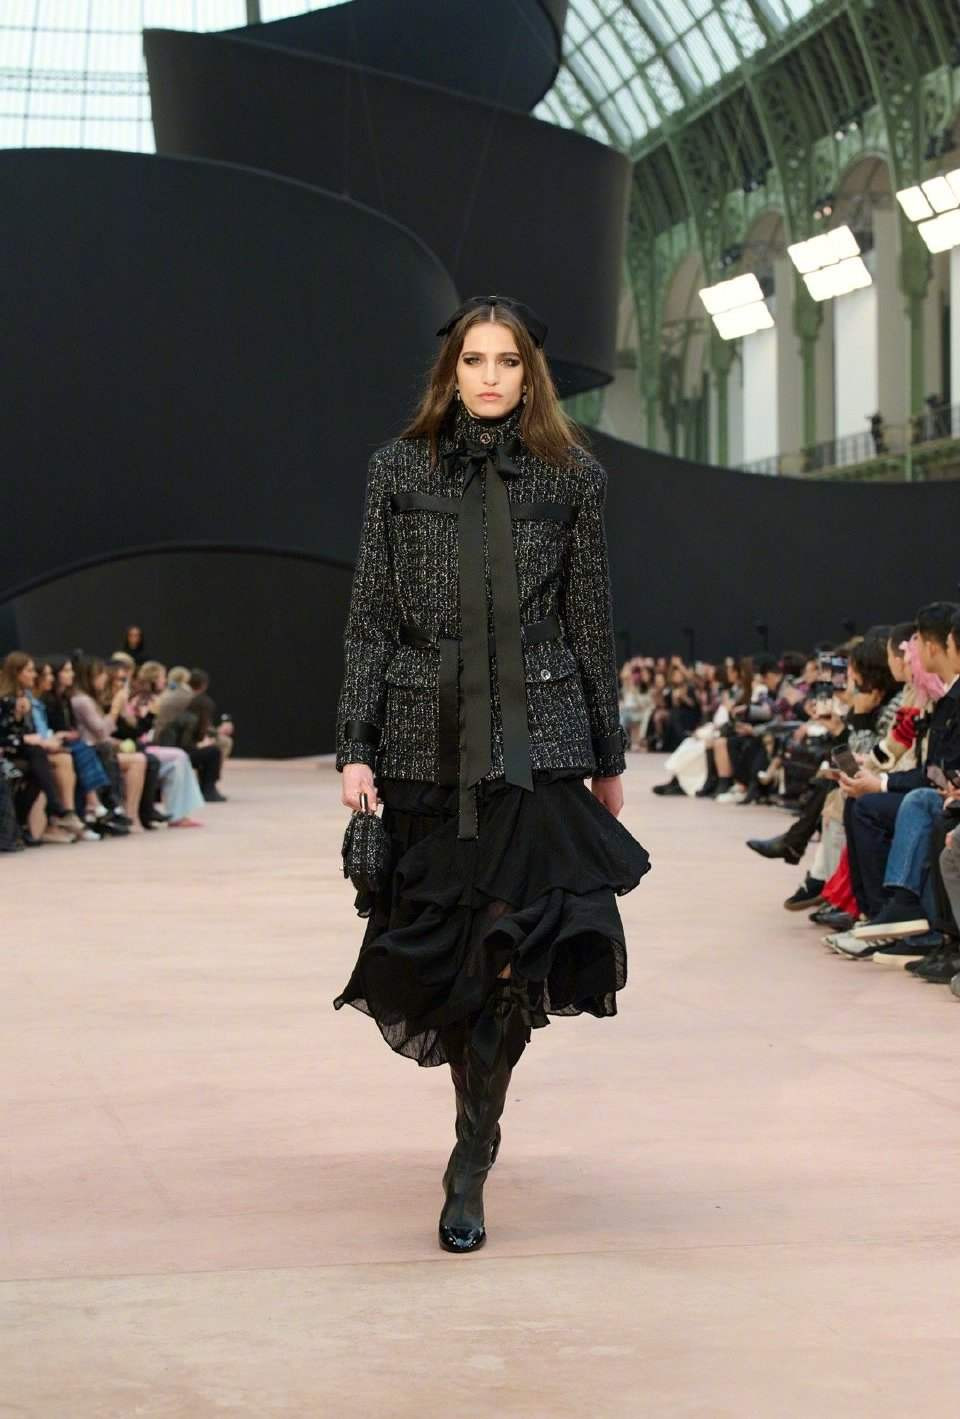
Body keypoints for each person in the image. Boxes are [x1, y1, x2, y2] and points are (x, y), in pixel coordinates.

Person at [332, 293, 651, 1254]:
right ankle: (474, 1121)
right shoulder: (397, 470)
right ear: (451, 369)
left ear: (529, 373)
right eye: (474, 359)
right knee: (454, 960)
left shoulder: (574, 477)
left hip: (538, 740)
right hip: (422, 740)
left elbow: (589, 619)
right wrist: (355, 742)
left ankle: (471, 1157)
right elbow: (370, 617)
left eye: (507, 361)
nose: (490, 377)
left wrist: (606, 754)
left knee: (513, 952)